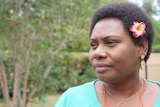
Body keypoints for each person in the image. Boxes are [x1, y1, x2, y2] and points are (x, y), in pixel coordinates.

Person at [54, 2, 160, 107]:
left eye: (110, 42)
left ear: (141, 47)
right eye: (93, 45)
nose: (97, 53)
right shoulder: (72, 100)